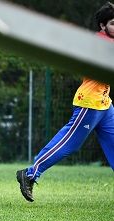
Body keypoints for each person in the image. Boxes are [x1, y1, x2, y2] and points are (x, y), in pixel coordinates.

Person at [17, 2, 114, 202]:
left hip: (105, 104)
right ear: (103, 26)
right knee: (69, 144)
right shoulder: (100, 42)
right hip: (89, 103)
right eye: (113, 23)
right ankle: (29, 173)